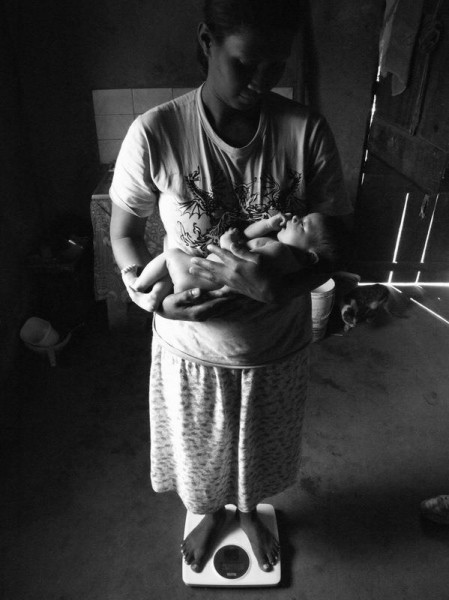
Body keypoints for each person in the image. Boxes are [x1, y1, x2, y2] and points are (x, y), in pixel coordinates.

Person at [110, 0, 353, 574]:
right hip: (191, 352)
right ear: (207, 42)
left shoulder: (306, 132)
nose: (261, 81)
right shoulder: (157, 132)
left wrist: (280, 290)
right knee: (202, 460)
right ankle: (211, 513)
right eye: (245, 64)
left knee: (260, 454)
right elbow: (123, 234)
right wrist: (152, 297)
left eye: (276, 66)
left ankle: (248, 512)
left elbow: (334, 247)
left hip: (275, 350)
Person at [127, 212, 347, 312]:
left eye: (304, 225)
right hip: (201, 285)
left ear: (311, 256)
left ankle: (138, 285)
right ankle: (154, 297)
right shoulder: (287, 261)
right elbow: (249, 238)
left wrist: (227, 242)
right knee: (171, 269)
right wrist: (267, 225)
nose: (297, 218)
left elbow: (240, 259)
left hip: (200, 274)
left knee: (171, 256)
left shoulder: (280, 251)